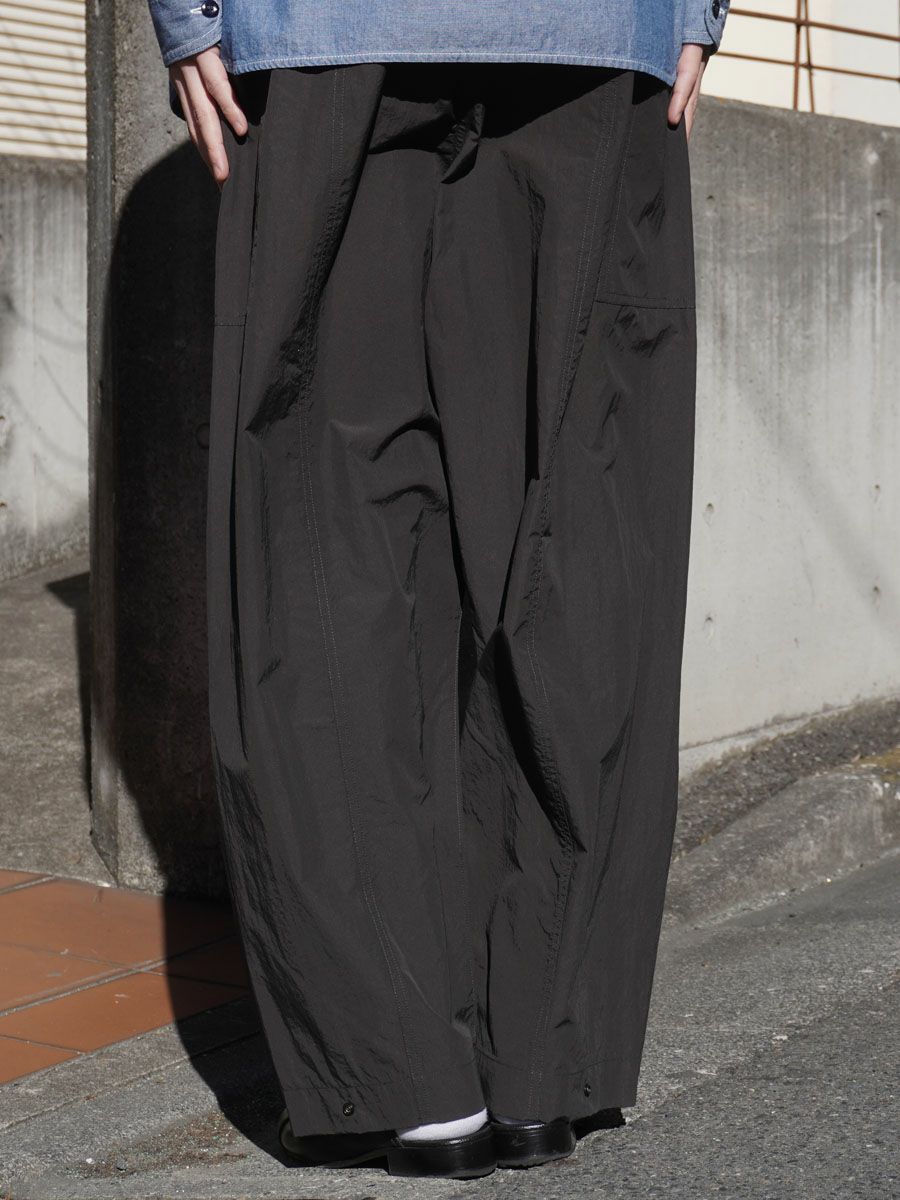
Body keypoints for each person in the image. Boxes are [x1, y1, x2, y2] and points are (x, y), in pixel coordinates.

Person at [146, 0, 729, 1180]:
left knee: (328, 538)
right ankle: (541, 1065)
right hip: (593, 36)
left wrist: (187, 15)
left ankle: (406, 1077)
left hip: (328, 32)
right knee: (577, 533)